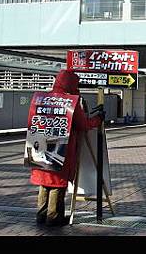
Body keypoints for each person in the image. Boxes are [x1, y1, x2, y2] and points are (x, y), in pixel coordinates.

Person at [29, 70, 104, 226]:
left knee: (44, 182)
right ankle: (53, 217)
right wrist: (98, 119)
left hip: (40, 147)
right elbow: (83, 125)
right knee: (57, 184)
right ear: (71, 84)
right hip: (60, 151)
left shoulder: (41, 98)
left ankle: (41, 215)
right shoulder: (70, 101)